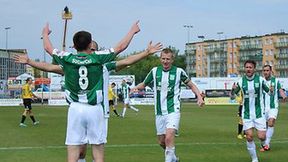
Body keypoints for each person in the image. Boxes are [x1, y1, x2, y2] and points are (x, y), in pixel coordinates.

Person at [14, 38, 162, 162]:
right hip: (87, 109)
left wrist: (146, 53)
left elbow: (127, 61)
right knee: (82, 149)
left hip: (101, 112)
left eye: (94, 50)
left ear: (96, 51)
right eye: (90, 49)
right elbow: (50, 67)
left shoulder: (104, 65)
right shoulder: (74, 65)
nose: (92, 52)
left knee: (94, 149)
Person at [41, 21, 142, 162]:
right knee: (98, 150)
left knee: (73, 151)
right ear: (90, 45)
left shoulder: (67, 58)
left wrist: (45, 34)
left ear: (74, 46)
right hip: (95, 109)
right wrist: (132, 31)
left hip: (75, 109)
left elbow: (47, 47)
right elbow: (121, 47)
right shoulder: (98, 58)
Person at [132, 48, 204, 162]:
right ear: (160, 59)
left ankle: (169, 159)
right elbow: (144, 84)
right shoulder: (155, 71)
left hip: (173, 110)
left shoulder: (179, 72)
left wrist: (199, 97)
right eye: (163, 59)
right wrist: (135, 88)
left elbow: (191, 85)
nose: (165, 61)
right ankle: (174, 158)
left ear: (172, 60)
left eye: (168, 59)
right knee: (162, 141)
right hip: (159, 112)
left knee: (169, 136)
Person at [231, 60, 272, 162]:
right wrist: (232, 90)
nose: (248, 69)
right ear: (244, 69)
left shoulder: (261, 80)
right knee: (249, 137)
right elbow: (232, 96)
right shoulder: (241, 81)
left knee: (262, 137)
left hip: (259, 113)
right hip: (247, 114)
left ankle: (263, 143)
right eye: (246, 67)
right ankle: (254, 159)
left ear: (254, 69)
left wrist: (271, 90)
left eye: (250, 67)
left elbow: (269, 92)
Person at [261, 64, 287, 151]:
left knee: (271, 123)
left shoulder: (276, 81)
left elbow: (280, 90)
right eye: (264, 70)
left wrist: (284, 96)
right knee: (263, 129)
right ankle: (264, 143)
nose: (265, 72)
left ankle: (267, 144)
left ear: (271, 71)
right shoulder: (260, 81)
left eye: (267, 70)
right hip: (262, 108)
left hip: (273, 107)